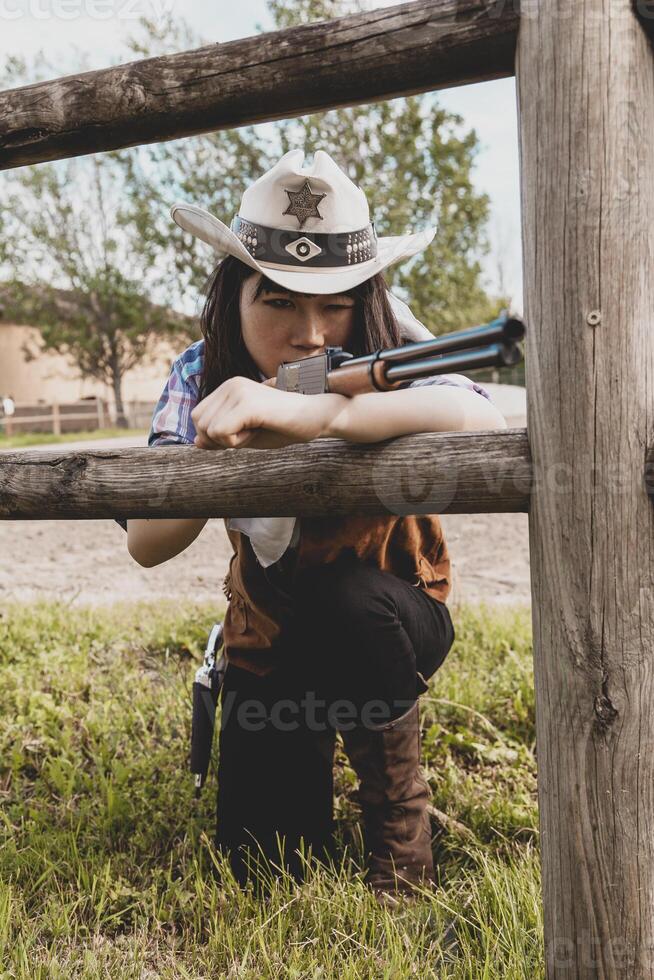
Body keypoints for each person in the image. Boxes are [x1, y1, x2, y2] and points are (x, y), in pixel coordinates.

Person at [126, 149, 506, 902]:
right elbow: (146, 543)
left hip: (391, 612)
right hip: (270, 635)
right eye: (278, 302)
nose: (309, 334)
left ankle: (403, 846)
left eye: (333, 305)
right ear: (233, 296)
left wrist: (315, 412)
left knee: (348, 600)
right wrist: (214, 451)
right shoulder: (198, 370)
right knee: (264, 858)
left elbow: (478, 414)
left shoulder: (390, 340)